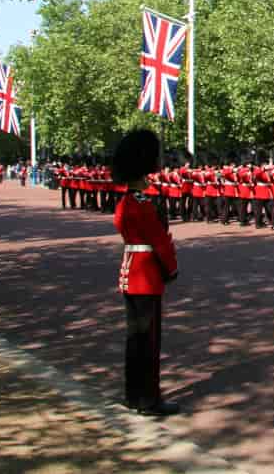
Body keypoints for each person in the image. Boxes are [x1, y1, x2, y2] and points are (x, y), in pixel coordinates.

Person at [111, 128, 181, 417]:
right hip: (147, 275)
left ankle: (133, 393)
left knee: (134, 340)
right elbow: (160, 242)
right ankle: (149, 399)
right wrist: (172, 269)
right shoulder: (142, 204)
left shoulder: (126, 202)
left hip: (129, 271)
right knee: (149, 342)